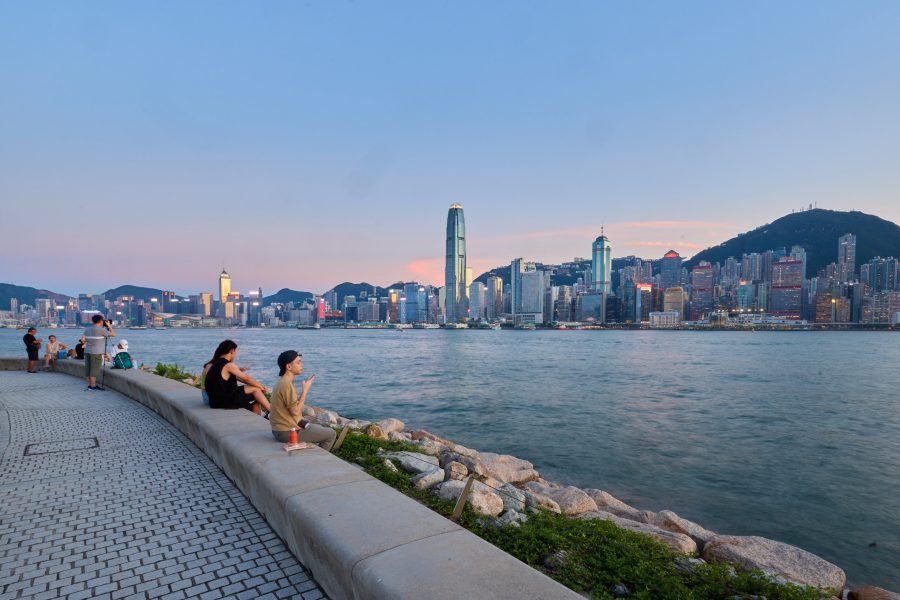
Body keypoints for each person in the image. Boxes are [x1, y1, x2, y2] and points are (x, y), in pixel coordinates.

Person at [270, 350, 336, 450]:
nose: (302, 365)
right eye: (298, 362)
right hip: (287, 432)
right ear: (289, 366)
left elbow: (293, 410)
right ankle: (319, 462)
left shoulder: (282, 382)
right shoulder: (286, 385)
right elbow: (295, 411)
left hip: (280, 429)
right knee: (331, 434)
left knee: (319, 428)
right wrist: (305, 391)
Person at [204, 340, 271, 414]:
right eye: (235, 352)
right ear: (232, 351)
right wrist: (261, 386)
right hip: (225, 401)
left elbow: (241, 379)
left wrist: (259, 385)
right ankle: (273, 412)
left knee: (255, 391)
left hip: (215, 401)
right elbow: (246, 379)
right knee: (256, 389)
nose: (235, 354)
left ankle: (268, 411)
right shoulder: (228, 365)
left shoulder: (215, 364)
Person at [84, 315, 115, 390]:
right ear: (101, 321)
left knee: (88, 369)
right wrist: (109, 326)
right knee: (94, 370)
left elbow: (83, 339)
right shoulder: (102, 330)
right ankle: (93, 386)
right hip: (96, 353)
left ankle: (89, 385)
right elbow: (113, 334)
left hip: (87, 351)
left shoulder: (87, 329)